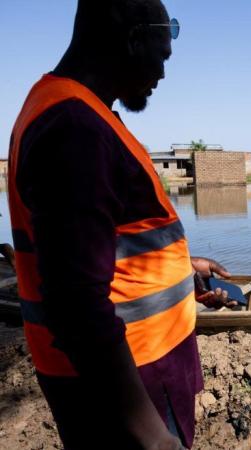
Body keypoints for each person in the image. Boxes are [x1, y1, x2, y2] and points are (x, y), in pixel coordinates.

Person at [7, 1, 235, 449]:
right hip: (130, 383)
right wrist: (149, 434)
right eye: (161, 56)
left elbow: (97, 246)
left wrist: (182, 269)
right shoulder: (75, 128)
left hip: (137, 370)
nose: (163, 75)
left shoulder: (78, 113)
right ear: (133, 40)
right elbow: (75, 303)